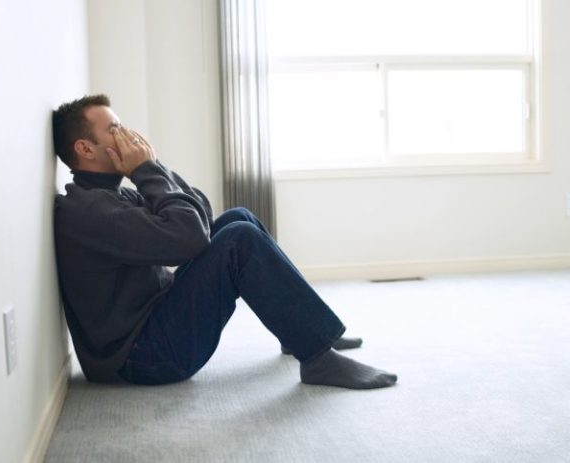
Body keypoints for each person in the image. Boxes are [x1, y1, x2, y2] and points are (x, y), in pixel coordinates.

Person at [52, 94, 397, 389]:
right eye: (114, 130)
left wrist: (153, 167)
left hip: (151, 324)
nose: (127, 136)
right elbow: (188, 237)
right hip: (141, 357)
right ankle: (318, 358)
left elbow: (200, 215)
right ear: (85, 148)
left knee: (237, 218)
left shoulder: (109, 197)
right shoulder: (90, 212)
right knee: (238, 240)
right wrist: (146, 171)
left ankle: (303, 332)